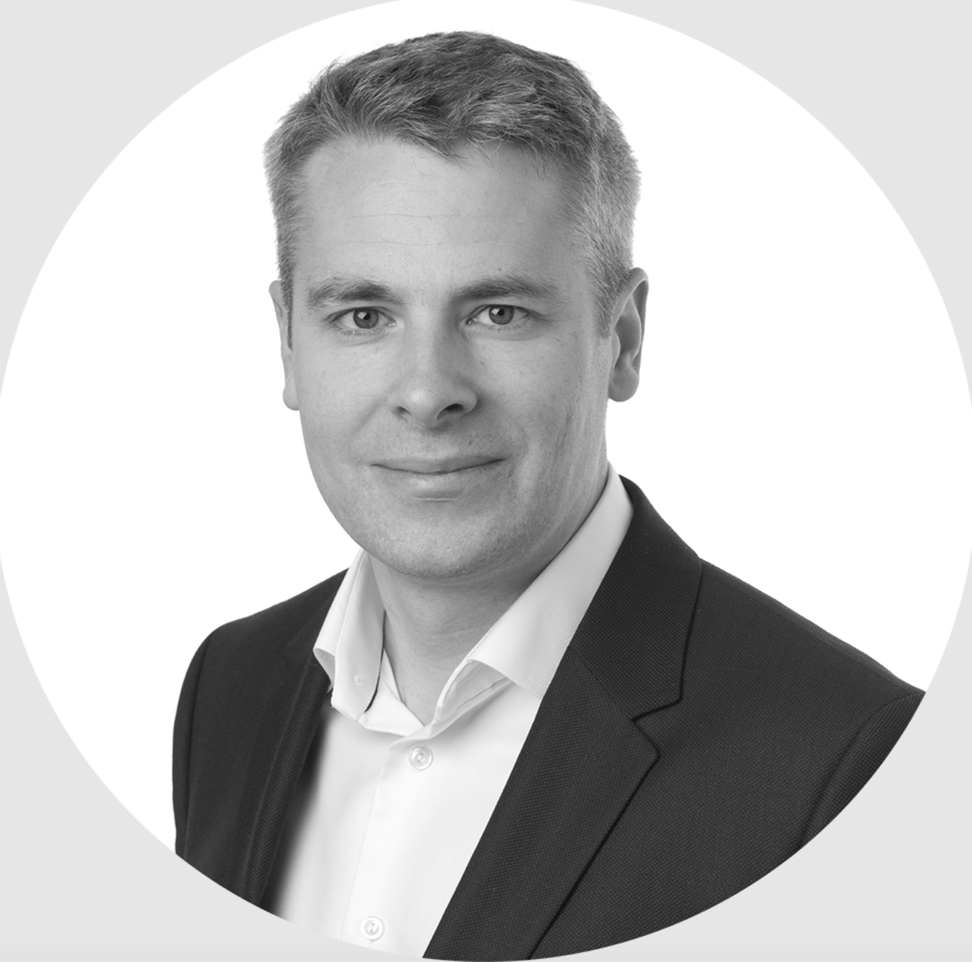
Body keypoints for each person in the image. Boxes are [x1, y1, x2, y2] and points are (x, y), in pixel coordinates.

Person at [173, 31, 922, 960]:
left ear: (624, 340)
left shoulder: (846, 764)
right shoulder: (230, 687)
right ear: (288, 344)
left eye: (499, 313)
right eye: (364, 316)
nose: (427, 392)